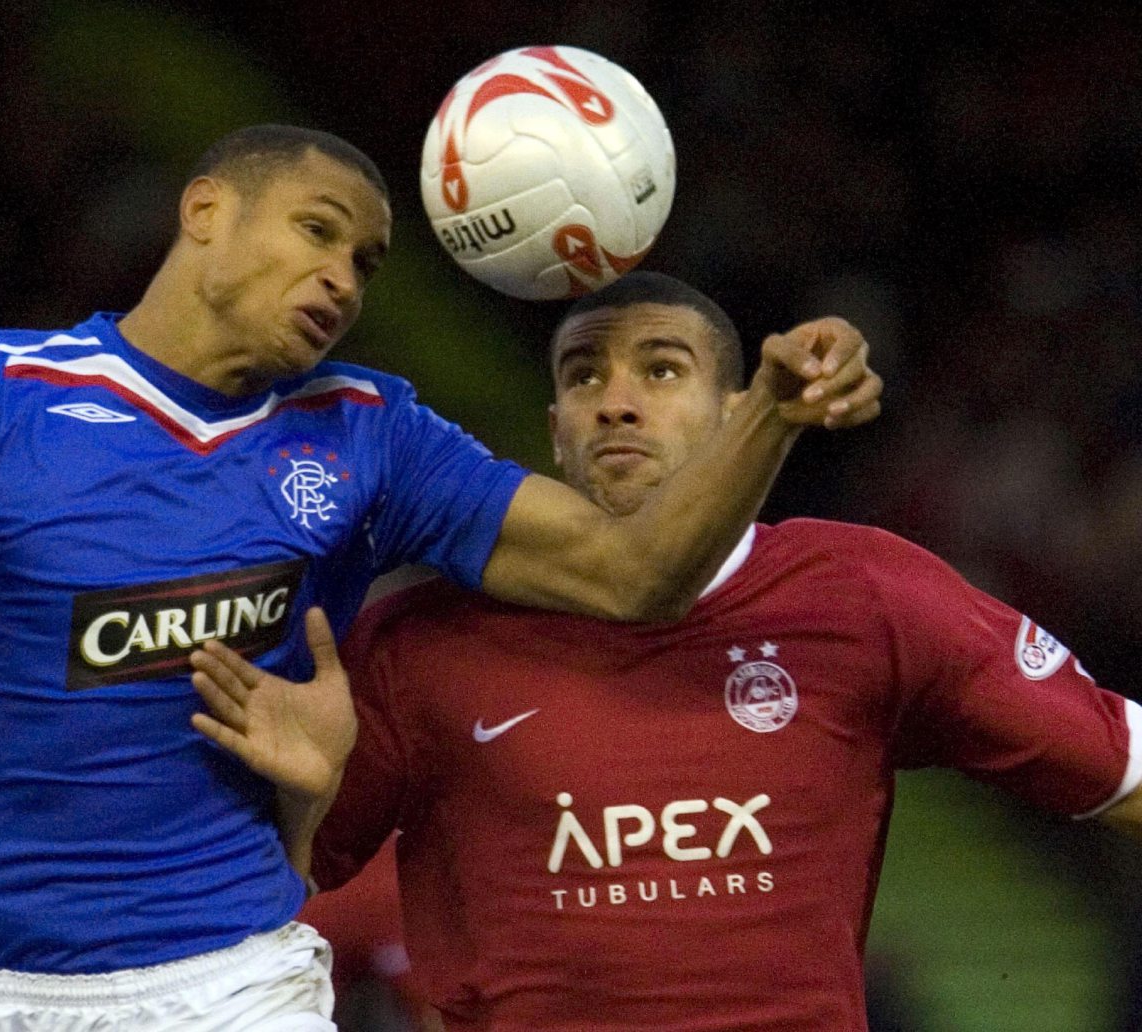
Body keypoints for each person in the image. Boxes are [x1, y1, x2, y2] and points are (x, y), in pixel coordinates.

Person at [0, 123, 879, 1032]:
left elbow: (636, 574)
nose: (343, 280)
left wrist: (766, 417)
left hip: (227, 982)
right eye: (318, 232)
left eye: (366, 262)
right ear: (205, 210)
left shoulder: (368, 433)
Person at [189, 271, 1142, 1031]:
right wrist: (299, 802)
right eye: (583, 376)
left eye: (662, 369)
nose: (615, 402)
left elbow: (1122, 770)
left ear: (736, 413)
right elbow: (258, 905)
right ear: (555, 433)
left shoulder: (865, 596)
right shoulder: (418, 640)